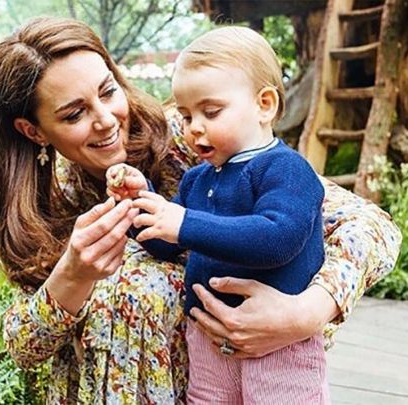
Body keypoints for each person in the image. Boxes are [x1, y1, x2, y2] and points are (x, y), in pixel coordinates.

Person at [0, 16, 402, 404]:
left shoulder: (198, 141)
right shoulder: (44, 205)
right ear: (34, 131)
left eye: (108, 91)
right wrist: (73, 275)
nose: (106, 119)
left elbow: (371, 226)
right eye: (75, 114)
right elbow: (25, 347)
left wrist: (306, 313)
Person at [106, 26, 329, 403]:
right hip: (207, 337)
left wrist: (184, 222)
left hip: (278, 344)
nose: (194, 128)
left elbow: (277, 239)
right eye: (186, 115)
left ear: (264, 105)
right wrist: (139, 202)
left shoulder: (286, 169)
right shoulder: (197, 179)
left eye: (211, 112)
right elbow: (167, 244)